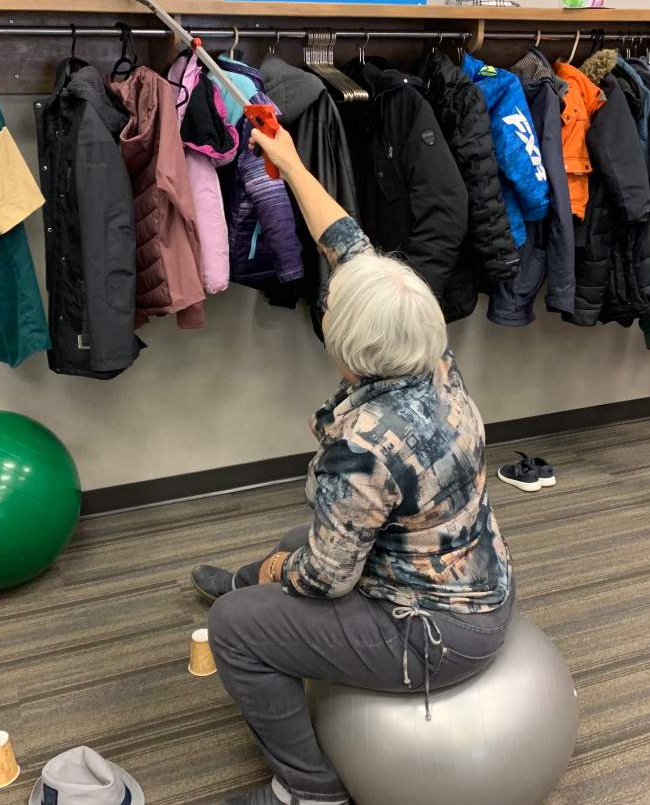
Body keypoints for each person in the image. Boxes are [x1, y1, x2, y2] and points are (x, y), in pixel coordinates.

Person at [193, 126, 515, 805]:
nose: (329, 300)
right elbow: (348, 243)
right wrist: (287, 162)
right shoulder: (429, 354)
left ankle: (307, 792)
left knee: (243, 624)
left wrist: (285, 575)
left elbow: (324, 580)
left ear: (347, 346)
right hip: (473, 582)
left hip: (437, 636)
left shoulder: (366, 444)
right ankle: (243, 582)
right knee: (288, 545)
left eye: (331, 309)